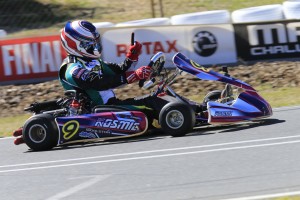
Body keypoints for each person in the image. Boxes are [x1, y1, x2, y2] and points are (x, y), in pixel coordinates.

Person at [59, 20, 168, 120]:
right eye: (89, 44)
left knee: (159, 96)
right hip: (97, 111)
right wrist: (131, 77)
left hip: (111, 106)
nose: (95, 46)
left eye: (95, 42)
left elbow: (119, 71)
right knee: (151, 105)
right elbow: (98, 82)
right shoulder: (72, 68)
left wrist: (132, 56)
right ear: (74, 45)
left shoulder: (92, 61)